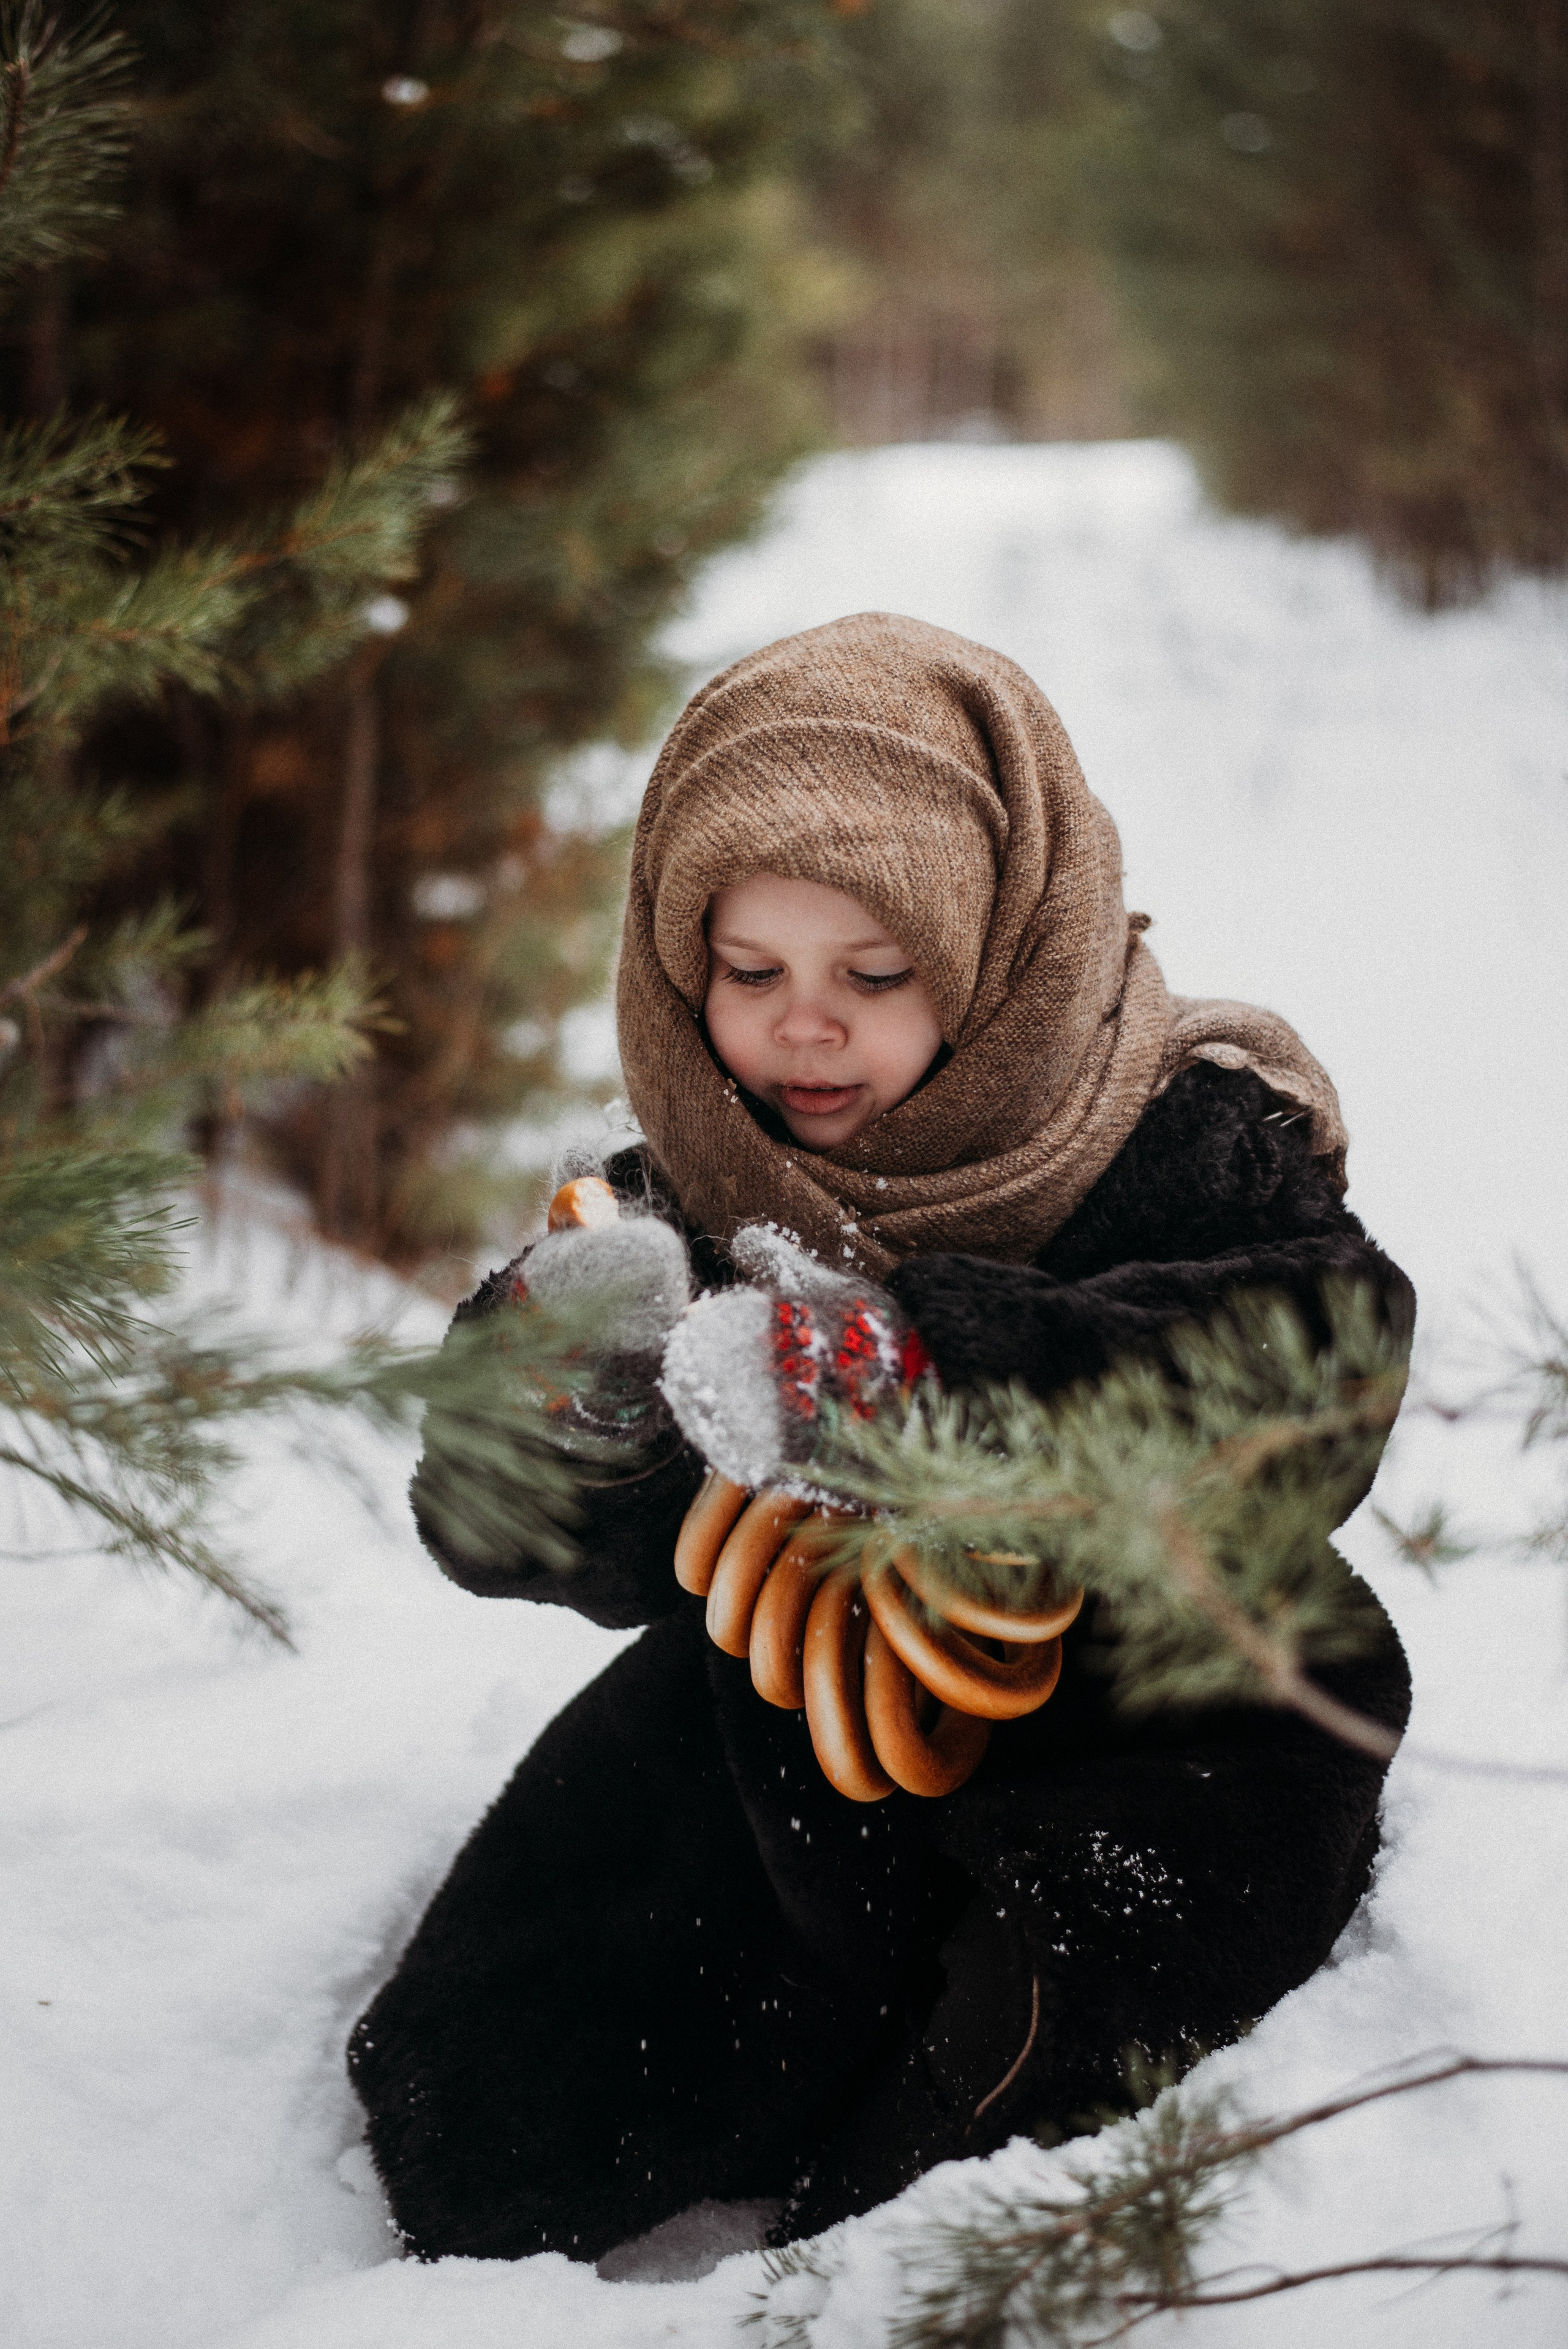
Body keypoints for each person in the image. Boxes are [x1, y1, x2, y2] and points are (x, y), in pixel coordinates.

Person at [348, 613, 1412, 2264]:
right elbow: (523, 1539)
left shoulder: (1179, 1129)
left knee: (1053, 2011)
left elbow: (1321, 1361)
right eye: (750, 973)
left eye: (875, 973)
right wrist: (578, 1409)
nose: (804, 1030)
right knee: (480, 2100)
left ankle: (936, 2162)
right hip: (814, 1733)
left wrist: (924, 1376)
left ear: (997, 947)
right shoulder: (687, 1183)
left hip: (1176, 1703)